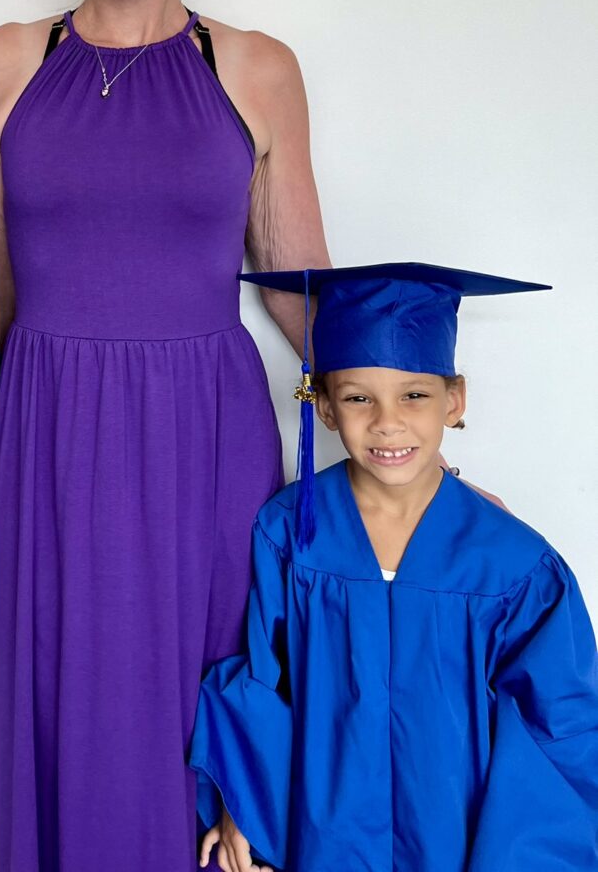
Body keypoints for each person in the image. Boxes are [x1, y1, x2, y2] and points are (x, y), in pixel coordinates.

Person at [0, 0, 330, 871]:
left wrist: (406, 449)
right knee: (60, 715)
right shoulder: (3, 64)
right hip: (45, 441)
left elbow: (297, 287)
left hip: (202, 446)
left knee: (200, 727)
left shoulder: (255, 68)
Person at [192, 263, 598, 872]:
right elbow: (258, 681)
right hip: (323, 839)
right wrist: (240, 804)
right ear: (324, 407)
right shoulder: (289, 534)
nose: (387, 421)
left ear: (454, 401)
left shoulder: (513, 565)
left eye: (415, 394)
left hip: (457, 845)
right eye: (358, 397)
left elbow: (558, 727)